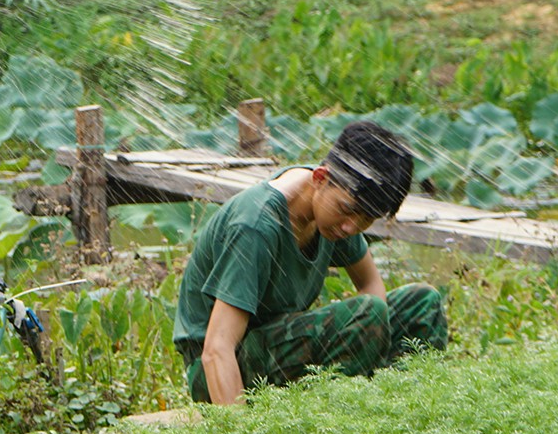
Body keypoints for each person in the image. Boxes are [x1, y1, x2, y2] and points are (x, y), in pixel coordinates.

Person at [174, 121, 445, 406]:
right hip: (218, 372)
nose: (351, 227)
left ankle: (400, 415)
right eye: (347, 211)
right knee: (368, 313)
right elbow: (217, 349)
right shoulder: (255, 225)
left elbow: (370, 284)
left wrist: (373, 353)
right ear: (320, 178)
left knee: (423, 303)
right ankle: (340, 422)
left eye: (367, 219)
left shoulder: (335, 212)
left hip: (276, 347)